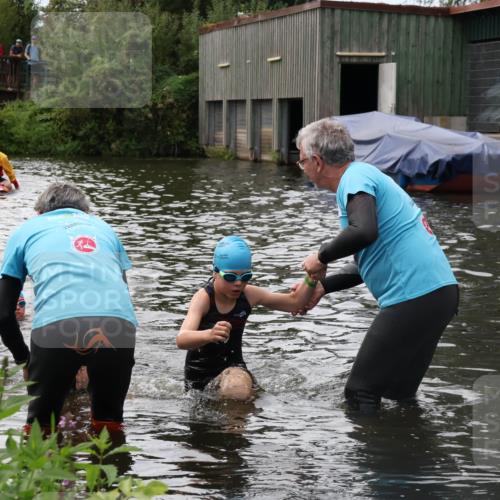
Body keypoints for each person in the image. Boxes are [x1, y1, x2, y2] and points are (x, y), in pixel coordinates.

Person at [296, 118, 459, 412]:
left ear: (317, 161)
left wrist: (320, 257)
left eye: (301, 160)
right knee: (398, 392)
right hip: (439, 295)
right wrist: (324, 285)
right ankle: (410, 453)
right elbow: (369, 259)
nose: (302, 166)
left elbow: (363, 231)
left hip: (414, 297)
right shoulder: (366, 177)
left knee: (360, 392)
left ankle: (369, 459)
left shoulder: (355, 179)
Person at [0, 183, 137, 432]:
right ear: (85, 211)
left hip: (56, 326)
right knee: (109, 425)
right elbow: (122, 292)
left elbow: (4, 313)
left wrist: (24, 360)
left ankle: (39, 467)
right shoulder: (104, 228)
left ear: (40, 212)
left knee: (41, 429)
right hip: (119, 325)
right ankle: (114, 464)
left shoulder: (27, 230)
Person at [177, 235, 318, 401]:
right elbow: (182, 339)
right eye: (230, 277)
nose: (238, 283)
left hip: (234, 370)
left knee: (238, 390)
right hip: (198, 379)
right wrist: (208, 334)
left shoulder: (249, 294)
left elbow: (294, 303)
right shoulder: (204, 298)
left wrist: (312, 277)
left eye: (245, 277)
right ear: (215, 273)